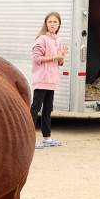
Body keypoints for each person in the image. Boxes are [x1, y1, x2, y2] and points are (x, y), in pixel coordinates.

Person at [30, 12, 67, 149]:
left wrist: (61, 57)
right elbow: (37, 59)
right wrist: (56, 56)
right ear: (46, 23)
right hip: (41, 79)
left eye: (55, 22)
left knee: (48, 109)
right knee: (35, 107)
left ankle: (47, 138)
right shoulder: (41, 39)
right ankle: (30, 139)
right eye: (50, 22)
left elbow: (60, 62)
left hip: (52, 80)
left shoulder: (58, 40)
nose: (52, 24)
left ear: (59, 24)